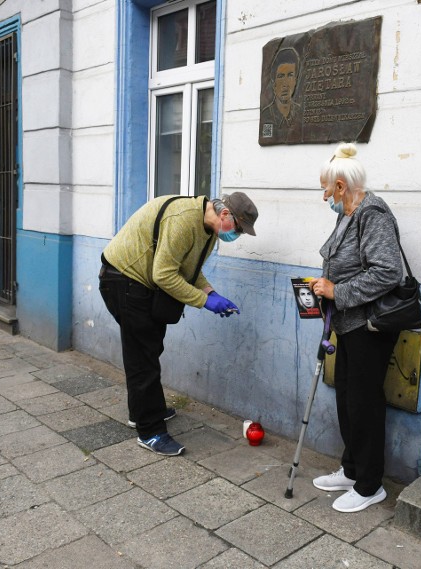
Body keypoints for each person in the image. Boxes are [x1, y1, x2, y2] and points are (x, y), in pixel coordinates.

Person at [99, 192, 258, 456]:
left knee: (149, 350)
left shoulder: (208, 229)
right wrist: (204, 301)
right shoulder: (184, 219)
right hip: (123, 279)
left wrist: (210, 292)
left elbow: (189, 270)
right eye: (239, 229)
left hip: (140, 283)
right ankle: (150, 431)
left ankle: (143, 412)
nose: (237, 236)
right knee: (142, 357)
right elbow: (164, 275)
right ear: (225, 214)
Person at [308, 142, 403, 513]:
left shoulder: (372, 213)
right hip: (348, 324)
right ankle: (351, 470)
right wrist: (321, 287)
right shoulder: (346, 214)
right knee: (348, 398)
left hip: (370, 326)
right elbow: (341, 260)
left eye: (326, 188)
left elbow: (388, 271)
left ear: (342, 187)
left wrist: (337, 290)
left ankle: (369, 485)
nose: (324, 196)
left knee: (364, 402)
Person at [260, 47, 301, 140]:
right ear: (273, 82)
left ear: (295, 80)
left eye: (290, 75)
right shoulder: (266, 116)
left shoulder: (301, 113)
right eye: (281, 76)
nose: (285, 84)